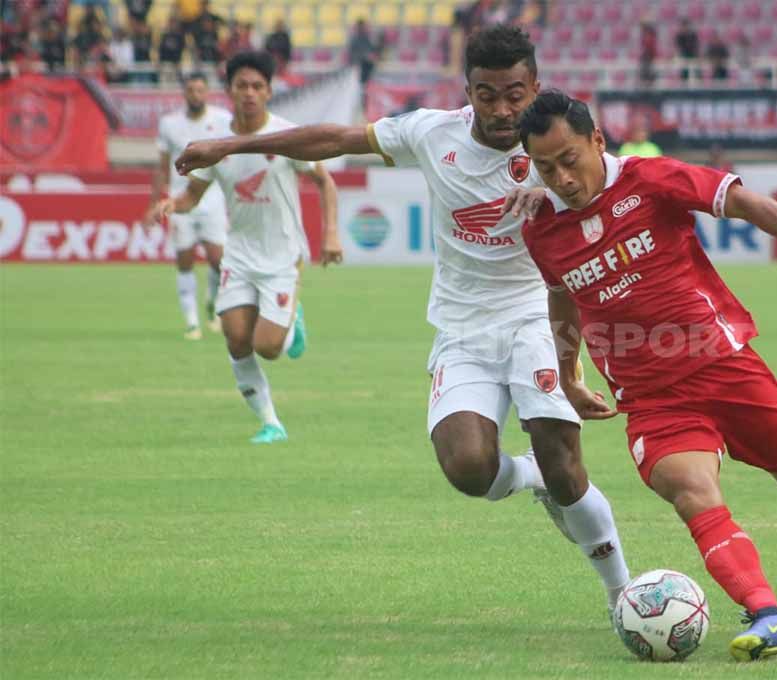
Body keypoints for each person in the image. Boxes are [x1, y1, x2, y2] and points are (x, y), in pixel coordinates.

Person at [172, 27, 632, 615]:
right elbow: (335, 139)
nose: (502, 109)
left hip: (535, 318)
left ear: (534, 87)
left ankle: (624, 595)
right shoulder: (430, 132)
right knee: (469, 468)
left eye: (515, 93)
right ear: (466, 89)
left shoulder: (557, 145)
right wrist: (229, 147)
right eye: (486, 94)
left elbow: (608, 187)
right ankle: (530, 478)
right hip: (462, 328)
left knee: (566, 463)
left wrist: (550, 192)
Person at [516, 91, 777, 661]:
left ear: (598, 140)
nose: (562, 178)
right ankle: (768, 613)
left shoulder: (652, 179)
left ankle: (751, 441)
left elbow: (740, 201)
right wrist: (569, 373)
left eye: (569, 159)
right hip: (653, 400)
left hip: (725, 367)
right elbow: (562, 301)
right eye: (545, 168)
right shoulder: (541, 229)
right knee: (691, 490)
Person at [155, 51, 343, 444]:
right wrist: (173, 204)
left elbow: (325, 181)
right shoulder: (216, 146)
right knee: (236, 339)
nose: (250, 93)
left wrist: (330, 235)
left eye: (258, 86)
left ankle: (294, 317)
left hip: (282, 256)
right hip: (239, 254)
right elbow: (193, 194)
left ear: (270, 91)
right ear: (229, 91)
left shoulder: (288, 135)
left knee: (268, 348)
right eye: (242, 85)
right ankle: (271, 422)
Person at [143, 73, 232, 340]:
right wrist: (154, 203)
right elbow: (162, 167)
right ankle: (192, 322)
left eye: (200, 90)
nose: (196, 95)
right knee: (185, 261)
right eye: (191, 90)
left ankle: (212, 304)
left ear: (207, 93)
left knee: (218, 261)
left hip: (213, 199)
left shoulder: (222, 120)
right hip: (180, 201)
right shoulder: (169, 124)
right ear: (184, 93)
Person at [675, 18, 699, 83]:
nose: (685, 28)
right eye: (684, 26)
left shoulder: (693, 35)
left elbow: (696, 45)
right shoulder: (679, 36)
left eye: (686, 26)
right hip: (684, 55)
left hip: (692, 54)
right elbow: (679, 46)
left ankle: (696, 82)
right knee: (684, 71)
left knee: (695, 69)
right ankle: (683, 82)